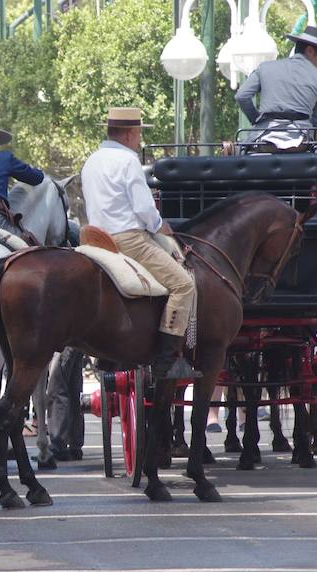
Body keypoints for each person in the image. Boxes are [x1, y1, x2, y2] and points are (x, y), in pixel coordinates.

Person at [81, 107, 198, 380]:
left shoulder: (92, 160)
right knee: (183, 284)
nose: (138, 141)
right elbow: (144, 207)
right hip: (128, 239)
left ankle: (111, 356)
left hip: (95, 239)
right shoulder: (127, 160)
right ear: (130, 133)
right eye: (138, 135)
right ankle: (166, 361)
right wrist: (161, 226)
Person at [235, 25, 317, 150]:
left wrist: (257, 120)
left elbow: (242, 96)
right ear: (310, 51)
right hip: (301, 143)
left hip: (264, 138)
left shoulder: (265, 68)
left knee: (238, 150)